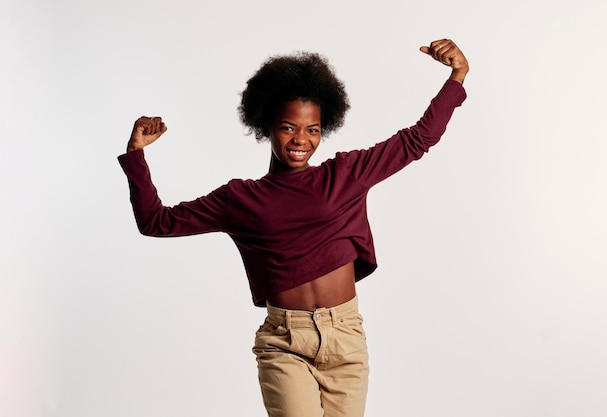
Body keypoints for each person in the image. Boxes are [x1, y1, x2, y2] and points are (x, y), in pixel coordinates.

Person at [119, 38, 469, 417]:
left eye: (313, 130)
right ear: (266, 125)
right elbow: (156, 222)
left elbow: (418, 139)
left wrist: (457, 77)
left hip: (346, 340)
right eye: (288, 127)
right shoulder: (241, 199)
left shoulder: (346, 175)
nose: (301, 139)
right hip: (285, 342)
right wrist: (137, 155)